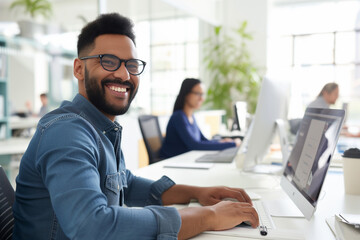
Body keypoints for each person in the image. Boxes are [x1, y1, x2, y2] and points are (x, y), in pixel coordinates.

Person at [12, 13, 259, 240]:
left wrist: (198, 193)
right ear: (79, 68)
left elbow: (125, 184)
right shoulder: (67, 132)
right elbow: (93, 226)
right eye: (108, 61)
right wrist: (209, 217)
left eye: (131, 65)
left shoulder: (100, 127)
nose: (124, 75)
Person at [160, 78, 242, 159]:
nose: (202, 98)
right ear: (186, 94)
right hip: (173, 163)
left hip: (186, 160)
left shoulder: (191, 116)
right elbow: (195, 145)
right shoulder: (178, 117)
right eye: (198, 94)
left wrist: (222, 142)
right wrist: (232, 144)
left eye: (202, 94)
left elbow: (203, 140)